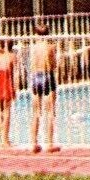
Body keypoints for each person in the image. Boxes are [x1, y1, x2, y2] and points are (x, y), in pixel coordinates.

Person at [27, 21, 59, 153]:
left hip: (35, 77)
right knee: (50, 112)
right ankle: (49, 143)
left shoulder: (33, 47)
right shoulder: (51, 47)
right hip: (47, 76)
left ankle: (33, 143)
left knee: (36, 112)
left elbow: (32, 63)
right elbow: (54, 65)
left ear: (36, 34)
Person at [0, 39, 19, 149]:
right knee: (6, 112)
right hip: (6, 82)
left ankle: (2, 139)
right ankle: (5, 141)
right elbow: (15, 74)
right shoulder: (12, 56)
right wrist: (16, 87)